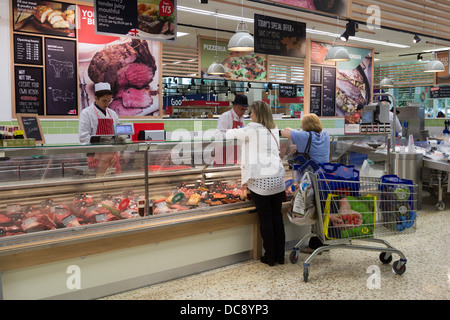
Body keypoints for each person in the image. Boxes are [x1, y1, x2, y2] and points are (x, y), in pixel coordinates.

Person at [226, 101, 286, 266]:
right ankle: (280, 256)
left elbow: (229, 135)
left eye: (251, 112)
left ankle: (270, 257)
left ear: (256, 114)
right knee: (277, 219)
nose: (249, 115)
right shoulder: (273, 128)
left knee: (266, 219)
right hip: (278, 179)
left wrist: (232, 130)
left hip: (261, 181)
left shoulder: (252, 129)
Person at [281, 113, 330, 253]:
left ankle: (315, 246)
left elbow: (285, 132)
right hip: (323, 179)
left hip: (309, 181)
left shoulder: (304, 136)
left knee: (313, 211)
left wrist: (293, 129)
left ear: (304, 126)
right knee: (320, 211)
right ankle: (321, 242)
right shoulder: (325, 136)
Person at [78, 82, 121, 174]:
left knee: (115, 183)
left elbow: (117, 134)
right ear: (96, 98)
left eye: (109, 101)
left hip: (113, 156)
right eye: (104, 101)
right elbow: (83, 137)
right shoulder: (86, 113)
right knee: (97, 183)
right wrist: (100, 156)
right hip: (96, 156)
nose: (107, 104)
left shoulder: (113, 114)